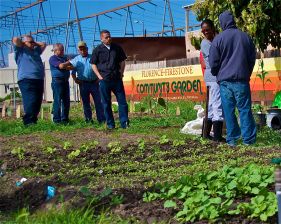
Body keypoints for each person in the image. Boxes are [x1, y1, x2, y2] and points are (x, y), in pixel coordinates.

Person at [209, 11, 257, 146]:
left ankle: (232, 140)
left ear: (222, 23)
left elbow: (213, 63)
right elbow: (252, 59)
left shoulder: (218, 39)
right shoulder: (245, 37)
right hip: (242, 80)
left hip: (225, 82)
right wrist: (246, 73)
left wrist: (217, 73)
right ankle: (248, 140)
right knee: (245, 110)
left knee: (229, 111)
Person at [91, 30, 129, 129]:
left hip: (116, 79)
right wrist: (99, 76)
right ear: (101, 39)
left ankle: (124, 123)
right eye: (106, 37)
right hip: (104, 80)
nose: (109, 39)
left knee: (122, 102)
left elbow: (122, 61)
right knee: (106, 103)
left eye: (109, 36)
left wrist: (121, 73)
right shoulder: (97, 50)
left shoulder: (117, 48)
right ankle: (110, 124)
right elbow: (93, 64)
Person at [68, 41, 105, 124]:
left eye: (84, 49)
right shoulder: (76, 59)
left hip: (94, 83)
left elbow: (100, 68)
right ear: (78, 50)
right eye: (80, 49)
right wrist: (75, 79)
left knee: (98, 102)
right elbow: (73, 72)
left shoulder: (93, 57)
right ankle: (88, 120)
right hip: (83, 84)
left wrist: (99, 78)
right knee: (86, 103)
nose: (82, 51)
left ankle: (101, 119)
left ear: (87, 49)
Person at [12, 35, 46, 125]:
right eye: (30, 42)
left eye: (33, 42)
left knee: (37, 102)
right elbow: (15, 39)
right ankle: (28, 122)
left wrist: (33, 43)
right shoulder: (20, 51)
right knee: (30, 101)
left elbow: (44, 44)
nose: (32, 44)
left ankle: (33, 121)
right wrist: (25, 43)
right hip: (26, 79)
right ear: (24, 43)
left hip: (38, 79)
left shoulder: (36, 51)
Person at [200, 19, 225, 142]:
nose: (205, 33)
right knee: (217, 105)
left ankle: (205, 134)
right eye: (203, 31)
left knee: (211, 106)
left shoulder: (214, 40)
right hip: (213, 77)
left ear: (212, 29)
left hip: (212, 77)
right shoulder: (205, 43)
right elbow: (214, 60)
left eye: (207, 30)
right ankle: (217, 136)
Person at [49, 43, 73, 123]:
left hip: (65, 81)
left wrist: (65, 64)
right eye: (61, 49)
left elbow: (71, 67)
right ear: (56, 50)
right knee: (58, 101)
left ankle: (65, 119)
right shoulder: (53, 58)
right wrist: (68, 63)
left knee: (66, 101)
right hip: (57, 82)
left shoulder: (64, 58)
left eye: (63, 49)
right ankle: (57, 120)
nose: (63, 51)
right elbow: (61, 66)